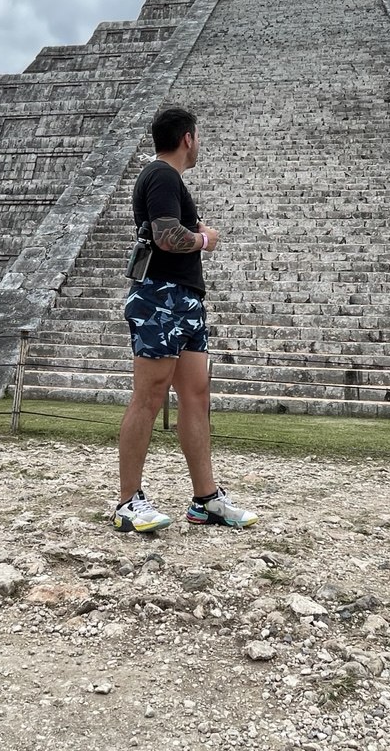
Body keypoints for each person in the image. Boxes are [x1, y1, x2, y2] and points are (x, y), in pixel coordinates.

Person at [112, 105, 257, 533]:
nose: (198, 145)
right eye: (198, 138)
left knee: (196, 396)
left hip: (185, 298)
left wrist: (197, 231)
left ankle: (206, 499)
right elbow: (166, 236)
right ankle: (127, 502)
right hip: (161, 296)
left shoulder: (170, 181)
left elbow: (173, 228)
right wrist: (205, 239)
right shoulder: (160, 174)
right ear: (188, 138)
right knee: (149, 396)